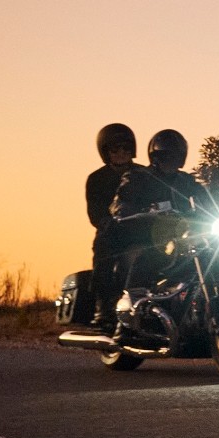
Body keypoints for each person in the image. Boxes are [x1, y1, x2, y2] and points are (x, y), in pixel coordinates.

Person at [103, 129, 216, 326]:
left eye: (175, 156)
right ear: (155, 157)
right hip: (149, 236)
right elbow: (121, 201)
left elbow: (210, 200)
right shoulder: (139, 177)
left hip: (183, 238)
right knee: (149, 256)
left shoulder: (187, 181)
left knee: (214, 255)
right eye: (165, 156)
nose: (170, 161)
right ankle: (127, 321)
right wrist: (126, 211)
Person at [84, 124, 138, 330]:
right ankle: (104, 307)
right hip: (113, 233)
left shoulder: (144, 173)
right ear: (106, 153)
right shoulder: (97, 179)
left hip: (142, 231)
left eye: (125, 149)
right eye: (115, 150)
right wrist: (108, 221)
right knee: (103, 253)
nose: (121, 154)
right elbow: (95, 212)